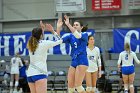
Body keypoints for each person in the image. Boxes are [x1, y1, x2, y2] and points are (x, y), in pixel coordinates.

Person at [56, 15, 93, 93]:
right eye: (74, 25)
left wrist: (68, 24)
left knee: (78, 86)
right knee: (70, 88)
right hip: (74, 60)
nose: (75, 26)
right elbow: (58, 40)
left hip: (82, 61)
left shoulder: (85, 34)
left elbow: (77, 35)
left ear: (81, 27)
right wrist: (58, 28)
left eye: (77, 25)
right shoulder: (70, 36)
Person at [26, 19, 63, 93]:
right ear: (41, 35)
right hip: (40, 73)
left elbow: (39, 39)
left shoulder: (30, 44)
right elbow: (60, 40)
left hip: (30, 74)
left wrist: (42, 29)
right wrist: (52, 31)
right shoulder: (44, 43)